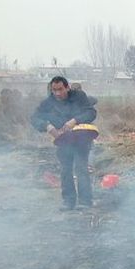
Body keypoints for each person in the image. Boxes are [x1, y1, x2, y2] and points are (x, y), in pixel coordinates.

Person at [30, 76, 98, 211]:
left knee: (81, 168)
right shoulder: (48, 103)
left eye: (60, 89)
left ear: (67, 87)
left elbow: (91, 112)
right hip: (63, 141)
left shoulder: (79, 96)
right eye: (54, 90)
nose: (57, 93)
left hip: (81, 138)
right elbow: (34, 118)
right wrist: (47, 127)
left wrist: (75, 120)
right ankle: (68, 201)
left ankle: (85, 202)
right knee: (65, 170)